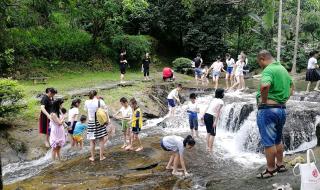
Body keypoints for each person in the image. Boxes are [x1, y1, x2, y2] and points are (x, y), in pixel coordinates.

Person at [256, 50, 294, 179]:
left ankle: (271, 170)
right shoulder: (283, 69)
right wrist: (284, 100)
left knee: (269, 142)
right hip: (281, 109)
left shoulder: (269, 70)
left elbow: (265, 86)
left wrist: (264, 101)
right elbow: (292, 87)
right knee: (278, 139)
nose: (260, 65)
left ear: (262, 58)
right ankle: (280, 164)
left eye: (259, 62)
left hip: (268, 110)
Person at [84, 90, 108, 161]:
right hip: (99, 122)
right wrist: (107, 120)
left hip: (91, 123)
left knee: (92, 141)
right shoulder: (100, 101)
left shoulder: (86, 102)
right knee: (101, 140)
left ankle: (92, 157)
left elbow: (85, 110)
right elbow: (106, 110)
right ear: (96, 95)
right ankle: (101, 157)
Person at [203, 88, 224, 153]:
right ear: (221, 94)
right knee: (213, 134)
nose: (224, 94)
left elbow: (208, 107)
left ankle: (207, 147)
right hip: (211, 117)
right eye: (223, 93)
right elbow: (218, 112)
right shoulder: (221, 101)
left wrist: (203, 116)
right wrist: (215, 121)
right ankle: (210, 149)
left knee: (208, 132)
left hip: (206, 115)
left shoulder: (213, 99)